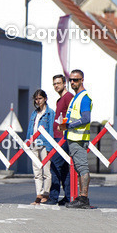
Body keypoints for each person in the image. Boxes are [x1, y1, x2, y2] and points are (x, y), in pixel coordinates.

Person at [57, 69, 94, 209]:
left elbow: (85, 119)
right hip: (73, 138)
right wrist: (65, 125)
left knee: (82, 168)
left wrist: (69, 125)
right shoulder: (75, 97)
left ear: (82, 80)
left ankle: (84, 198)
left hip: (79, 139)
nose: (72, 82)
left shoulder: (84, 97)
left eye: (76, 80)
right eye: (70, 80)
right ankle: (81, 197)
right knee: (79, 169)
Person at [49, 74, 73, 205]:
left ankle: (53, 197)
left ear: (64, 83)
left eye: (58, 83)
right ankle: (68, 197)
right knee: (64, 168)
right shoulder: (59, 100)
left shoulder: (68, 97)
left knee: (55, 166)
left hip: (63, 138)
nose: (56, 86)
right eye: (54, 84)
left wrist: (65, 128)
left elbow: (73, 114)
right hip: (57, 137)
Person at [27, 89, 55, 204]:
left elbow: (50, 130)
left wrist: (50, 147)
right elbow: (30, 128)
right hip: (34, 143)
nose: (38, 101)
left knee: (46, 171)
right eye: (36, 99)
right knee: (37, 171)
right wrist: (28, 141)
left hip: (44, 144)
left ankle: (46, 194)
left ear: (45, 99)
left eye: (40, 98)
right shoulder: (35, 113)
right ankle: (38, 194)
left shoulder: (50, 113)